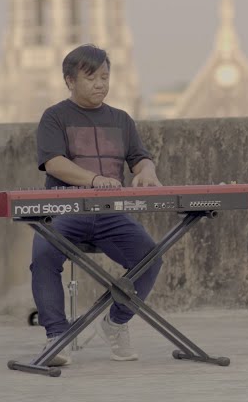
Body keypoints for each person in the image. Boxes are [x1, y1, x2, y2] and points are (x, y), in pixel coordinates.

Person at [31, 43, 164, 366]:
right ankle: (57, 337)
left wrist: (147, 172)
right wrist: (93, 180)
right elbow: (54, 163)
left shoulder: (121, 119)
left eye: (104, 77)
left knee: (150, 258)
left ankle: (115, 322)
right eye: (91, 78)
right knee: (44, 255)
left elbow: (140, 158)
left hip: (110, 213)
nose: (100, 84)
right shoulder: (54, 117)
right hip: (66, 211)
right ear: (70, 81)